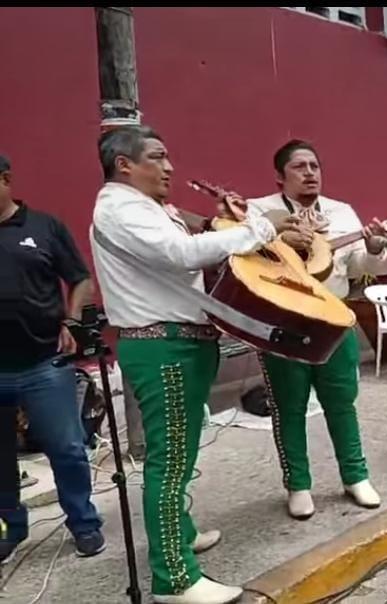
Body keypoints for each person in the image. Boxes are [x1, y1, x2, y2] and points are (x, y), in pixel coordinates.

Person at [91, 125, 297, 604]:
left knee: (180, 457)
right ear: (125, 164)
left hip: (180, 343)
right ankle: (174, 579)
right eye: (158, 157)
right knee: (169, 462)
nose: (170, 167)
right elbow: (179, 253)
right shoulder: (119, 207)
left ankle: (177, 535)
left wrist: (222, 221)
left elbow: (189, 235)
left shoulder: (144, 209)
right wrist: (255, 229)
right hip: (163, 347)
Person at [245, 140, 387, 519]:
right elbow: (248, 258)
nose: (310, 172)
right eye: (299, 166)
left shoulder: (343, 213)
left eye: (314, 165)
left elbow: (359, 268)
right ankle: (298, 485)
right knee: (288, 406)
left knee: (342, 401)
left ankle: (355, 476)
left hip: (334, 315)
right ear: (280, 176)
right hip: (284, 319)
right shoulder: (260, 211)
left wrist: (374, 248)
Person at [0, 154, 106, 563]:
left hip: (45, 361)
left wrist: (73, 320)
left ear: (6, 179)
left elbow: (80, 279)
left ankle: (84, 524)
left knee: (67, 448)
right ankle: (11, 530)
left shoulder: (44, 228)